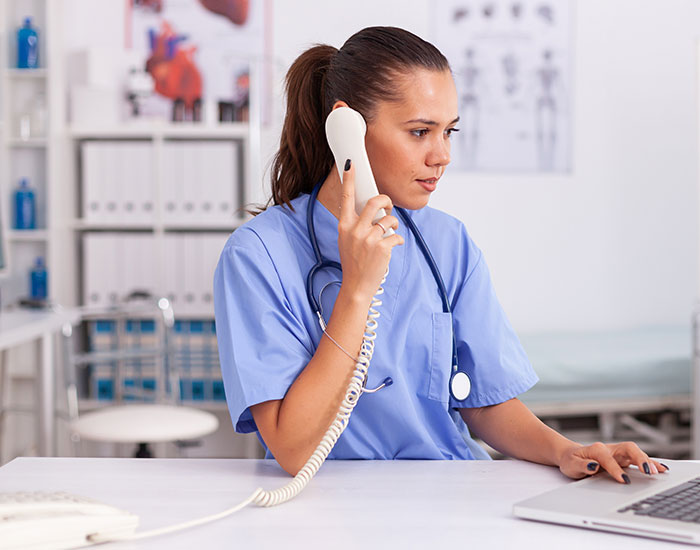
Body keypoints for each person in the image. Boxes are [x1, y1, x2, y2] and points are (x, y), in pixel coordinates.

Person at [214, 26, 667, 483]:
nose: (442, 154)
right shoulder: (257, 256)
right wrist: (356, 292)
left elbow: (484, 403)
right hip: (330, 505)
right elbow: (292, 449)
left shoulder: (448, 243)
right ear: (346, 127)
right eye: (419, 132)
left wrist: (567, 450)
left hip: (451, 491)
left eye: (448, 131)